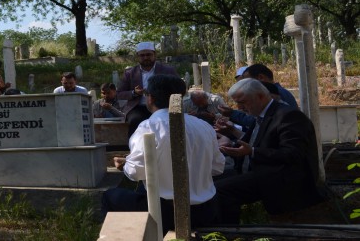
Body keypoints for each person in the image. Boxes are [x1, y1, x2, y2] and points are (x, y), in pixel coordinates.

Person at [102, 74, 225, 235]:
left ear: (150, 98)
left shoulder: (149, 126)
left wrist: (125, 164)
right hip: (206, 209)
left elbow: (135, 172)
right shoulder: (203, 126)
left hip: (167, 213)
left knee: (110, 196)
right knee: (142, 191)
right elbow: (217, 167)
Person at [215, 78, 325, 224]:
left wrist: (252, 152)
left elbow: (292, 154)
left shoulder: (288, 116)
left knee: (221, 190)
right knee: (211, 181)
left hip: (280, 177)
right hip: (259, 170)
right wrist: (231, 140)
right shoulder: (261, 114)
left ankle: (229, 233)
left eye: (242, 102)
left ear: (260, 96)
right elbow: (255, 141)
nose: (239, 108)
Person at [117, 42, 178, 137]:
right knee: (135, 120)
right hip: (138, 107)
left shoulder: (168, 70)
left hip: (162, 106)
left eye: (148, 54)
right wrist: (134, 93)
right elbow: (120, 93)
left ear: (155, 55)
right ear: (137, 57)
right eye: (142, 55)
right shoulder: (130, 73)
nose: (146, 58)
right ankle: (135, 148)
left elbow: (177, 89)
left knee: (164, 121)